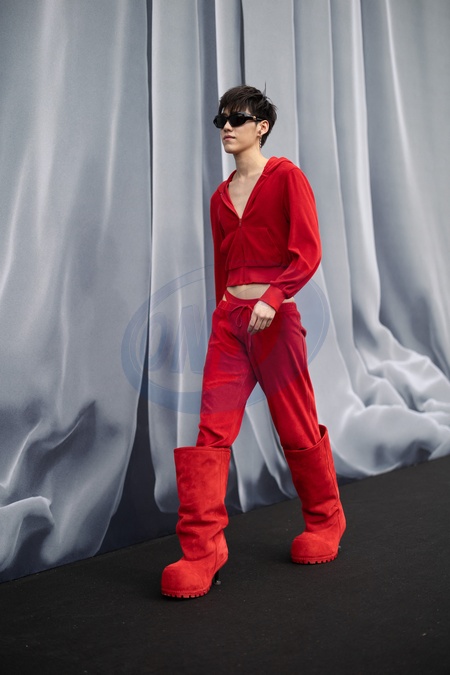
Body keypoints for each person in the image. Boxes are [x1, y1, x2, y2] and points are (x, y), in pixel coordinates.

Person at [161, 85, 346, 599]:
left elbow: (307, 250)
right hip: (231, 323)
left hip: (276, 322)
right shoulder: (220, 198)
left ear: (261, 127)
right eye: (221, 118)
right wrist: (225, 311)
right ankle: (202, 551)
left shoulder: (286, 178)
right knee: (210, 432)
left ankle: (326, 520)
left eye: (238, 118)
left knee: (295, 423)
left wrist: (274, 296)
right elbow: (222, 265)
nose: (227, 126)